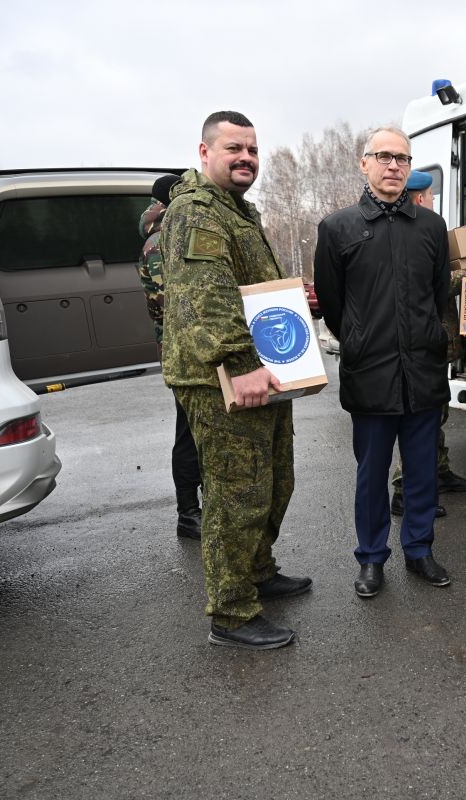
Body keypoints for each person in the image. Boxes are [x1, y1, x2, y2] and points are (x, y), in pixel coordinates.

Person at [161, 110, 312, 649]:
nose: (246, 157)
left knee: (275, 482)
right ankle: (230, 612)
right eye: (233, 149)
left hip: (261, 372)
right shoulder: (197, 211)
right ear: (205, 153)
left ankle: (258, 571)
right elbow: (208, 293)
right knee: (236, 495)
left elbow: (252, 289)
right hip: (222, 378)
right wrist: (240, 362)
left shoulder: (239, 211)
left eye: (252, 149)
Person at [314, 128, 453, 598]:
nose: (394, 166)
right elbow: (333, 304)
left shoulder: (432, 229)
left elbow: (439, 298)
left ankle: (420, 550)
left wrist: (434, 340)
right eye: (385, 157)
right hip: (370, 372)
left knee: (421, 471)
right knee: (372, 474)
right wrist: (357, 338)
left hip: (422, 372)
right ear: (364, 163)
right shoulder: (338, 228)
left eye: (403, 158)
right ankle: (371, 559)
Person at [390, 169, 466, 519]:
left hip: (437, 339)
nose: (429, 199)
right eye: (427, 195)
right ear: (419, 197)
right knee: (418, 417)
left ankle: (438, 471)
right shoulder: (413, 230)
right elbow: (431, 284)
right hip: (423, 340)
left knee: (435, 412)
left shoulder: (425, 226)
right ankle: (402, 488)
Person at [138, 173, 203, 541]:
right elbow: (171, 302)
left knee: (199, 428)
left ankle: (201, 505)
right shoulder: (162, 240)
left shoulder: (168, 231)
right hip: (184, 348)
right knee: (189, 430)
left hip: (189, 345)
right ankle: (188, 512)